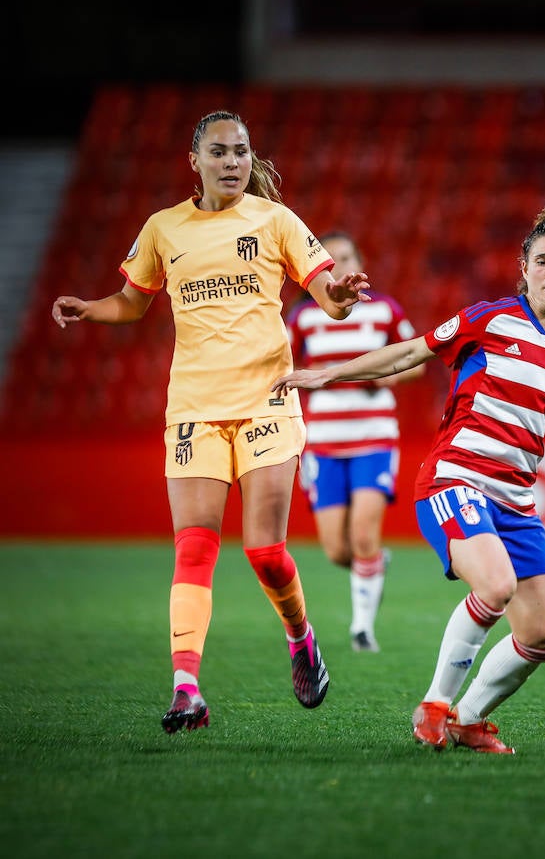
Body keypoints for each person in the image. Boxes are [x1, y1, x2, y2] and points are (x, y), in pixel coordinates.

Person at [271, 191, 545, 754]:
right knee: (495, 586)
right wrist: (323, 376)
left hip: (516, 500)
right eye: (542, 261)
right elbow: (407, 354)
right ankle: (435, 705)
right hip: (456, 478)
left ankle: (468, 719)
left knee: (543, 635)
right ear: (523, 268)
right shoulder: (490, 318)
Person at [51, 110, 370, 734]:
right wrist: (91, 307)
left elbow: (325, 296)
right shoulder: (164, 228)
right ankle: (186, 689)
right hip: (195, 406)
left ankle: (301, 638)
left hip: (267, 399)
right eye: (220, 152)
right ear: (194, 160)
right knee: (194, 549)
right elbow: (134, 301)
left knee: (265, 552)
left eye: (242, 152)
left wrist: (343, 297)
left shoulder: (275, 221)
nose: (232, 162)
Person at [286, 231, 426, 652]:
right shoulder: (304, 316)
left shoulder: (385, 311)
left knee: (364, 535)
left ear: (360, 259)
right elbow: (289, 368)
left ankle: (361, 629)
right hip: (324, 442)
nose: (340, 265)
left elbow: (416, 359)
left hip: (373, 437)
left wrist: (387, 375)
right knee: (336, 549)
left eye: (347, 256)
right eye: (331, 261)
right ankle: (372, 568)